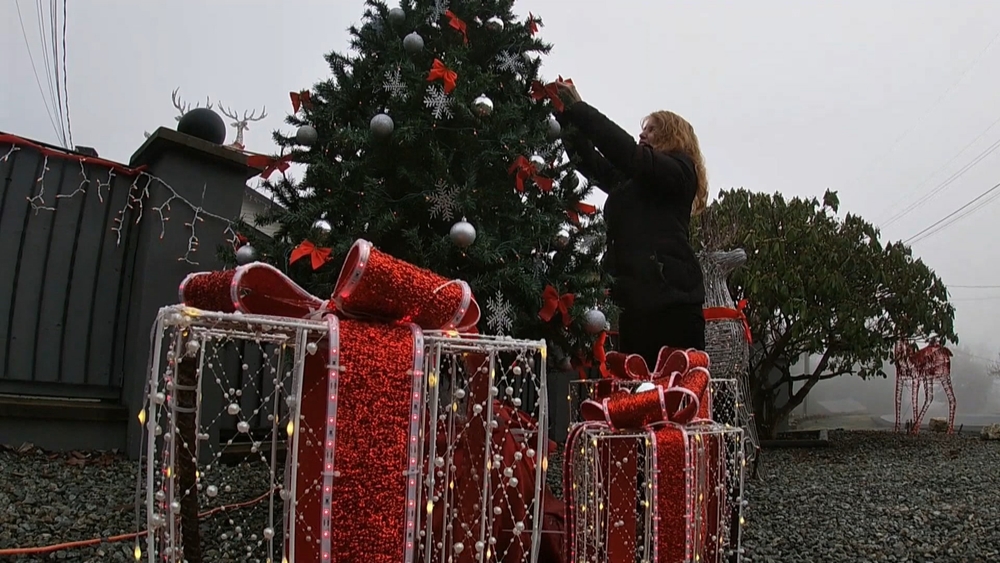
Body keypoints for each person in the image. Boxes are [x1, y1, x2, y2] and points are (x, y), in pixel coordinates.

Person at [551, 80, 709, 367]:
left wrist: (581, 109)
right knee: (636, 388)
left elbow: (626, 153)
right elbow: (590, 161)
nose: (642, 134)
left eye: (652, 129)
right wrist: (566, 114)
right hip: (633, 304)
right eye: (643, 129)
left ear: (673, 136)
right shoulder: (630, 180)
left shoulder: (680, 170)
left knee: (676, 387)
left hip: (672, 305)